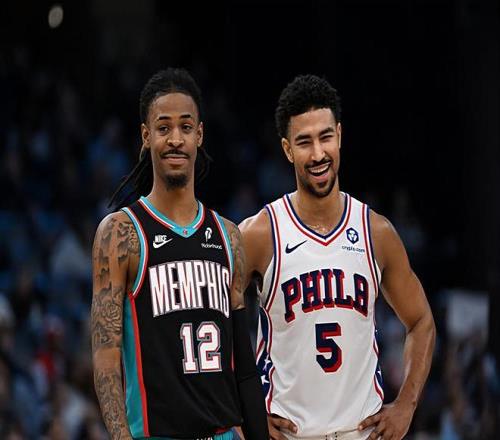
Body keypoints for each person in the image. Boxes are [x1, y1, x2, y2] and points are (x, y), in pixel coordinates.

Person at [239, 75, 436, 440]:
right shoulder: (259, 233)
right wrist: (243, 410)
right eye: (304, 142)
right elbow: (212, 324)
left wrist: (407, 405)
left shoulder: (376, 232)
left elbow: (421, 321)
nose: (318, 154)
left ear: (340, 136)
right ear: (287, 149)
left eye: (325, 137)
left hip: (360, 431)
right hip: (291, 433)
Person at [91, 68, 268, 440]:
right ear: (146, 137)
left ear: (199, 135)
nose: (175, 139)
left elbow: (244, 366)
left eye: (185, 127)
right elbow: (106, 357)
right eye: (164, 128)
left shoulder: (228, 236)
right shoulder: (121, 233)